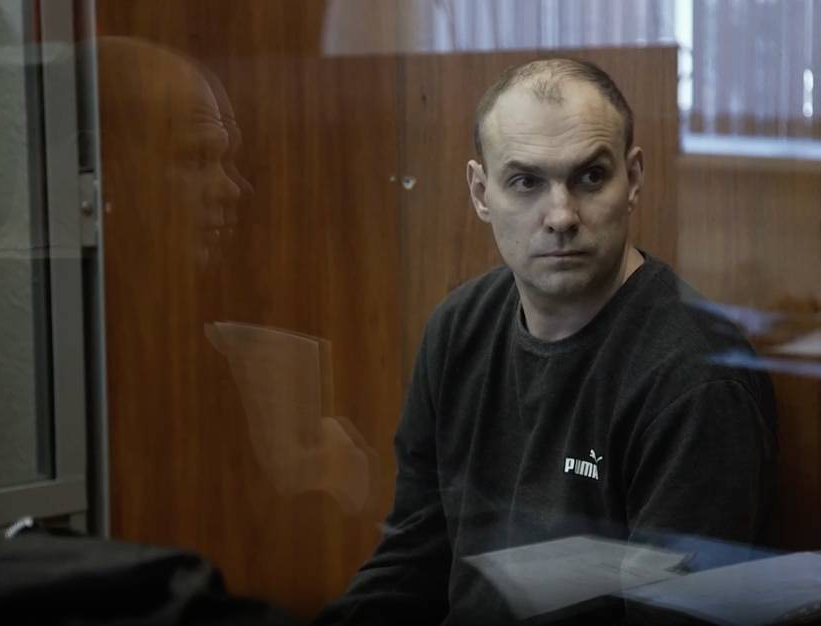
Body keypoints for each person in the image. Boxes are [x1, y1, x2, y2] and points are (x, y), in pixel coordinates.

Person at [314, 58, 777, 625]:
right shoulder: (458, 329)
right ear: (481, 192)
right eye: (526, 182)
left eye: (590, 177)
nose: (561, 216)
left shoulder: (695, 379)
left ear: (633, 180)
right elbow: (413, 559)